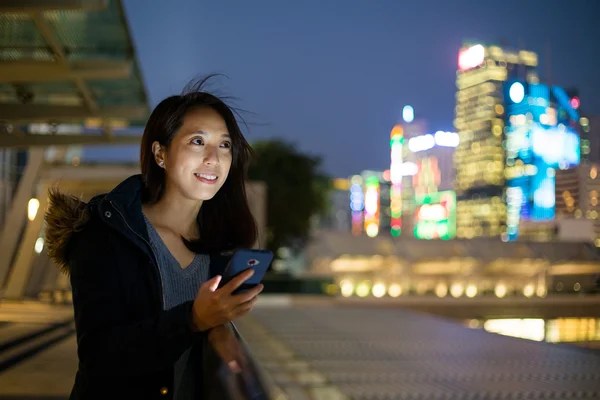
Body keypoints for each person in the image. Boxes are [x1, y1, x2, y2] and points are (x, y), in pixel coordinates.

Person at [44, 77, 265, 399]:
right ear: (160, 153)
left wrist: (220, 330)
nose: (214, 158)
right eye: (197, 141)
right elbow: (99, 358)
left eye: (225, 144)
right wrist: (193, 319)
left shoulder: (220, 246)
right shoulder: (105, 235)